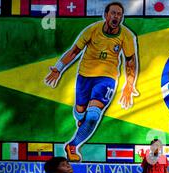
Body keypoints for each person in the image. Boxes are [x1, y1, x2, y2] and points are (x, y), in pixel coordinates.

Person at [44, 2, 139, 162]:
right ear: (106, 15)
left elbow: (130, 61)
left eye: (119, 14)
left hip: (107, 79)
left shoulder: (127, 36)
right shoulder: (92, 30)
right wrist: (58, 68)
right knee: (80, 111)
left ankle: (73, 145)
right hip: (85, 76)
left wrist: (129, 83)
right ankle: (81, 118)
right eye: (113, 13)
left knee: (94, 115)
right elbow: (74, 51)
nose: (116, 17)